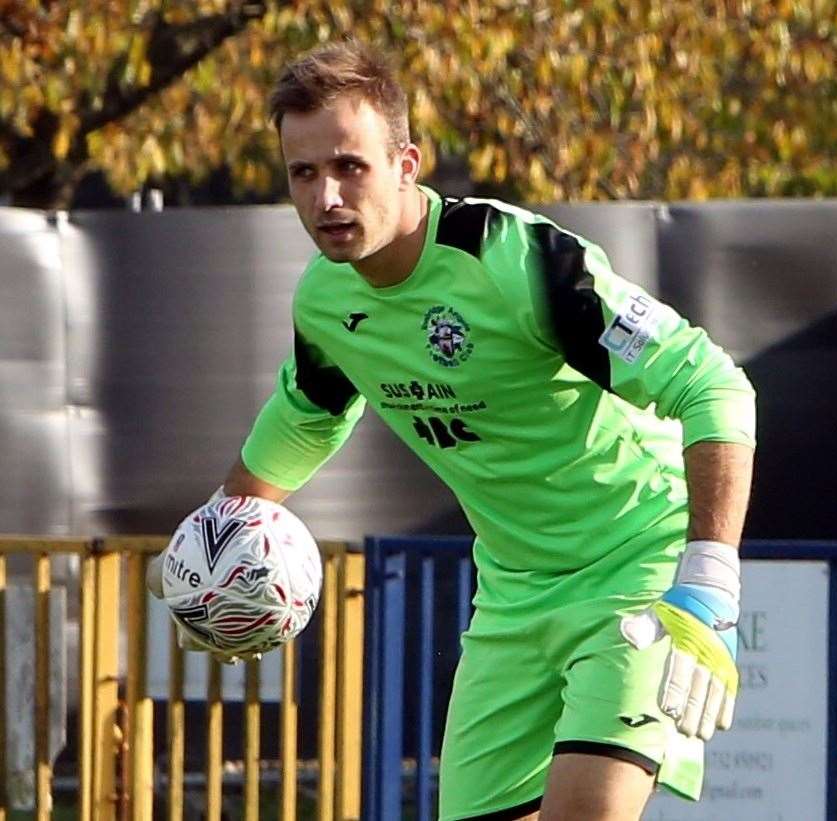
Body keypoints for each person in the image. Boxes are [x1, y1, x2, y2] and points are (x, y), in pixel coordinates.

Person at [152, 39, 755, 821]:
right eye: (303, 173)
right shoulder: (327, 302)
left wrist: (708, 578)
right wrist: (211, 560)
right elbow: (306, 416)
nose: (327, 196)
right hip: (511, 599)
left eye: (349, 166)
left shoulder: (513, 260)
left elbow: (714, 387)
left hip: (634, 574)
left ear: (407, 162)